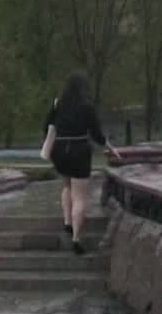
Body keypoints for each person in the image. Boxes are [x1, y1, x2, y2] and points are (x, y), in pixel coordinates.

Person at [42, 71, 121, 254]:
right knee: (80, 197)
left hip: (59, 151)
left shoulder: (58, 104)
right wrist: (111, 148)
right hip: (79, 151)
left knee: (67, 186)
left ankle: (67, 222)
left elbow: (46, 126)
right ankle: (76, 238)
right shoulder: (87, 106)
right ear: (83, 87)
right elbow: (97, 134)